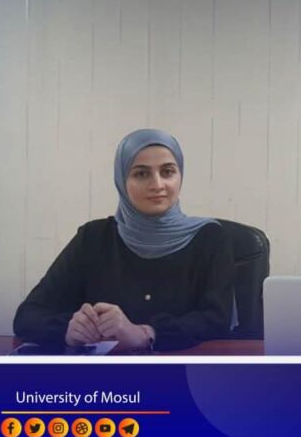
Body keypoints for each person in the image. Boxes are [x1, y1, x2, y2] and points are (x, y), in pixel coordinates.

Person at [13, 129, 233, 352]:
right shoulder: (92, 239)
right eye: (141, 174)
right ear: (121, 180)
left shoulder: (210, 238)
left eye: (167, 172)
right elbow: (28, 316)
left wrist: (147, 333)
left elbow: (218, 320)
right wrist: (68, 329)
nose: (157, 185)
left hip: (182, 368)